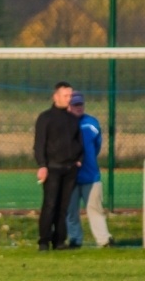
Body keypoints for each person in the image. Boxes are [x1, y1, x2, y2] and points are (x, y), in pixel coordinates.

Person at [33, 81, 84, 251]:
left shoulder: (72, 119)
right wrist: (42, 165)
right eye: (65, 96)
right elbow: (39, 144)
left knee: (64, 207)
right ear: (56, 97)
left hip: (70, 169)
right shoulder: (45, 118)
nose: (69, 99)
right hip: (52, 168)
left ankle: (59, 241)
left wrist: (79, 159)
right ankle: (43, 241)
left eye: (70, 96)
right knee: (50, 205)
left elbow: (78, 141)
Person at [65, 91, 114, 248]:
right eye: (75, 105)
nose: (78, 108)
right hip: (70, 176)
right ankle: (75, 239)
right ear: (68, 106)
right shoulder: (63, 123)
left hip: (90, 175)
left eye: (80, 104)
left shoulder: (91, 123)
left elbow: (97, 145)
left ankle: (103, 240)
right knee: (71, 211)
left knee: (95, 209)